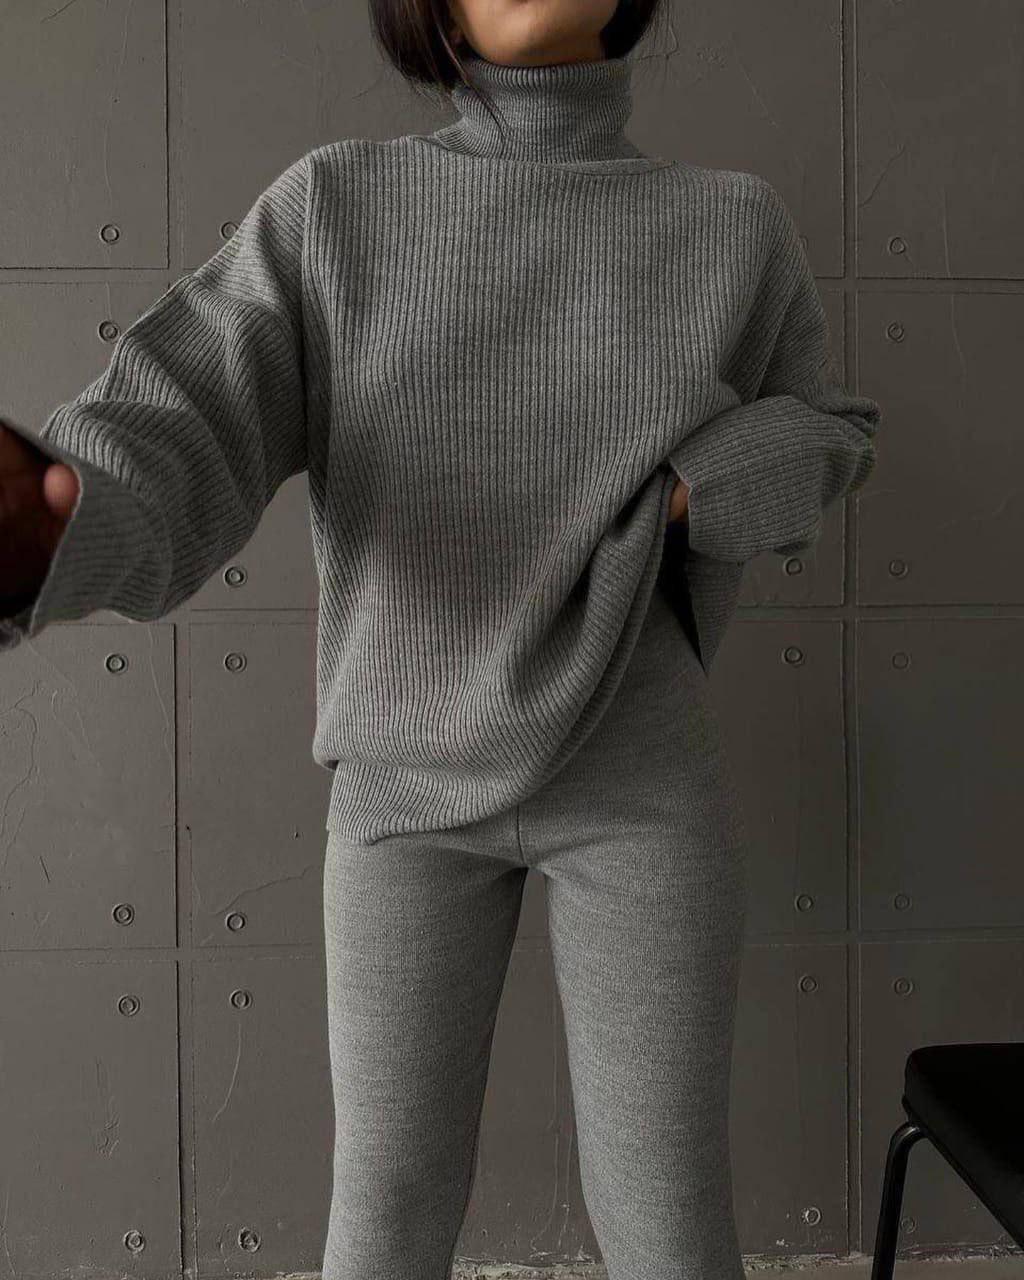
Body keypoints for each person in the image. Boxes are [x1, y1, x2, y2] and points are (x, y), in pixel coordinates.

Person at [0, 0, 882, 1276]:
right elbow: (185, 419)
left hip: (642, 783)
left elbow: (833, 429)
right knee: (388, 1198)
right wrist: (55, 523)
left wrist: (704, 480)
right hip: (401, 788)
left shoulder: (731, 223)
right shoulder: (335, 207)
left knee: (666, 1203)